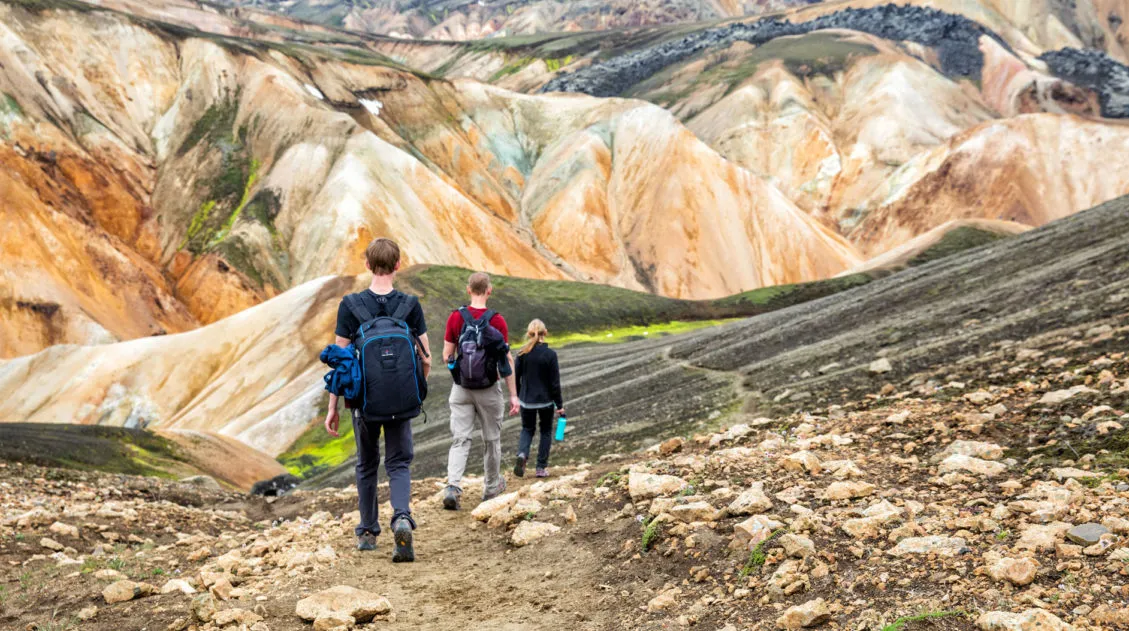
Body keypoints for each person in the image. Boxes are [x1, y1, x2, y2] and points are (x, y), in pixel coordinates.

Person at [324, 238, 431, 561]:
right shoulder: (410, 305)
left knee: (367, 464)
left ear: (368, 265)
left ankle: (368, 531)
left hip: (364, 405)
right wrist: (415, 391)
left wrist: (333, 407)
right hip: (401, 402)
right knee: (399, 462)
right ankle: (401, 517)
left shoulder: (351, 305)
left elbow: (341, 362)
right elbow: (426, 360)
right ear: (398, 265)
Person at [442, 272, 520, 510]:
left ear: (468, 290)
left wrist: (459, 375)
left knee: (460, 439)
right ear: (489, 290)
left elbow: (447, 355)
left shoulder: (456, 317)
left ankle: (453, 487)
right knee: (491, 440)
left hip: (461, 389)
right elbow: (506, 360)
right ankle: (491, 487)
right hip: (488, 389)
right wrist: (513, 395)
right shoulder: (497, 321)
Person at [513, 319, 564, 478]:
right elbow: (555, 383)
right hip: (546, 401)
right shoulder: (550, 354)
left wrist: (519, 395)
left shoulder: (522, 353)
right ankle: (541, 468)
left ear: (529, 333)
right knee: (546, 431)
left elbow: (516, 378)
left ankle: (522, 454)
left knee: (527, 429)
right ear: (545, 333)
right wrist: (559, 405)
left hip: (527, 400)